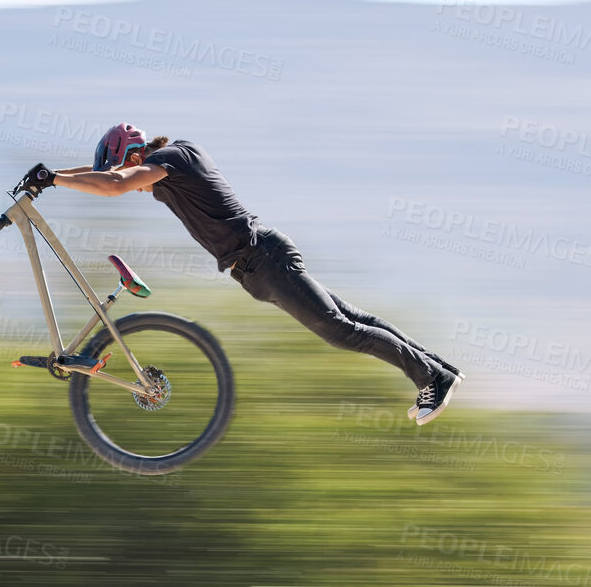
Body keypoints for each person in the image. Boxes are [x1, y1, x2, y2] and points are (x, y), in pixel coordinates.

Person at [49, 123, 461, 425]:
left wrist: (53, 179)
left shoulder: (173, 158)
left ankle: (429, 379)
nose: (135, 186)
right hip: (259, 268)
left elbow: (113, 184)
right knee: (356, 320)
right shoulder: (167, 168)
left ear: (136, 158)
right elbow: (108, 177)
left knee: (341, 330)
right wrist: (53, 177)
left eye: (128, 170)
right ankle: (440, 371)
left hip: (263, 258)